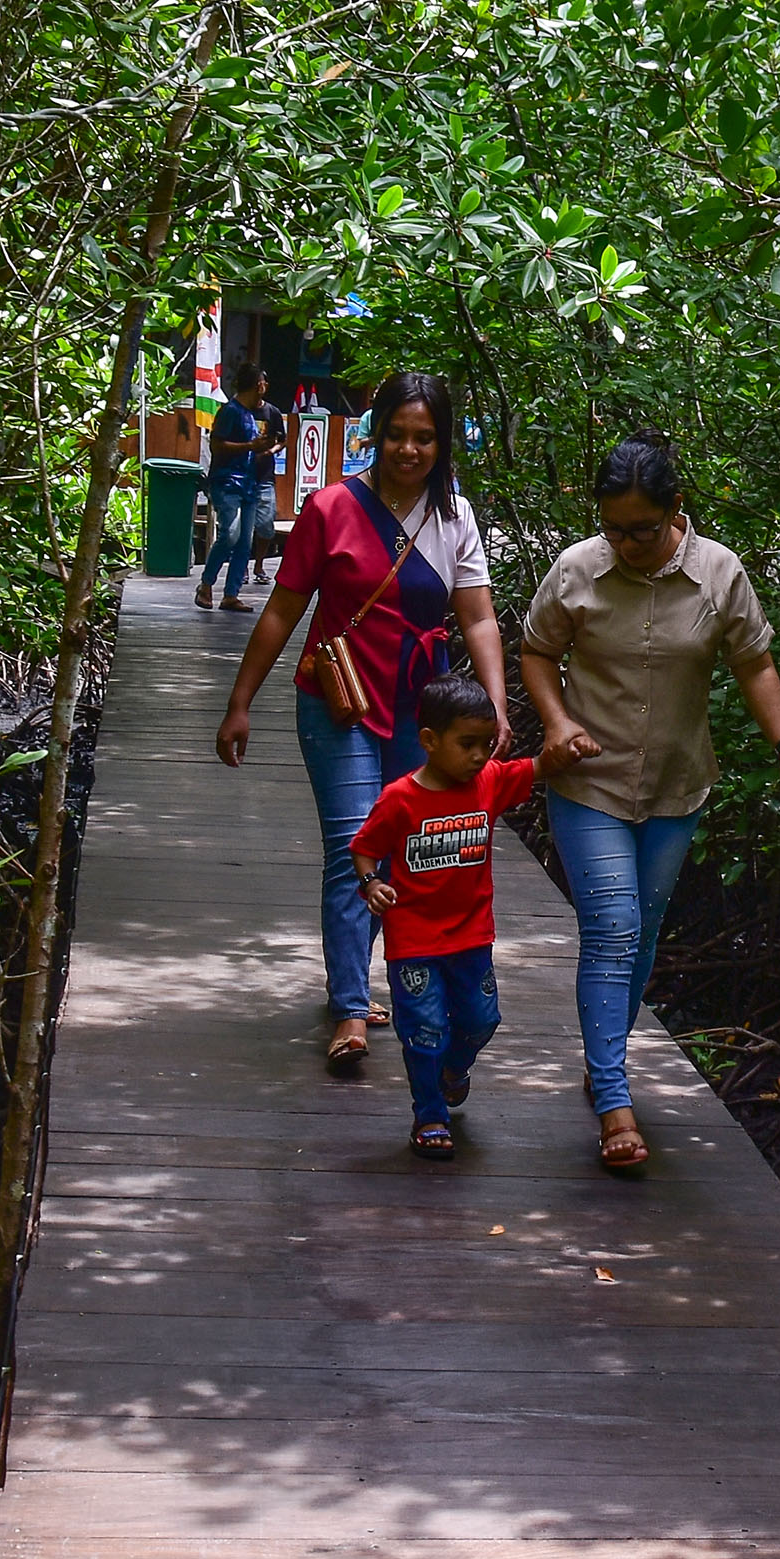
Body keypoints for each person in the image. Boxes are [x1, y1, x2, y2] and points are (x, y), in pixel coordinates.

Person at [514, 435, 780, 1173]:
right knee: (614, 924)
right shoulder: (578, 570)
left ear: (675, 509)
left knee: (643, 933)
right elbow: (535, 651)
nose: (623, 542)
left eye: (641, 529)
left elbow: (754, 662)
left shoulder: (719, 574)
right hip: (589, 782)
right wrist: (557, 724)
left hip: (676, 786)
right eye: (611, 527)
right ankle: (614, 1099)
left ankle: (604, 1057)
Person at [217, 371, 509, 1074]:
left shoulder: (454, 517)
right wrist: (240, 701)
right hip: (338, 699)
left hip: (423, 708)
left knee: (405, 845)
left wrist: (494, 707)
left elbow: (476, 615)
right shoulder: (330, 507)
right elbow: (284, 609)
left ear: (442, 443)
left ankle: (369, 979)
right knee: (355, 846)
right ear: (375, 432)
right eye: (397, 434)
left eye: (424, 437)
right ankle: (350, 1005)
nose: (408, 449)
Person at [349, 674, 542, 1161]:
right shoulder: (400, 798)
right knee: (425, 1028)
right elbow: (365, 849)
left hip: (472, 935)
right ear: (430, 742)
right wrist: (371, 883)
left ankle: (456, 1069)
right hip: (414, 938)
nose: (480, 756)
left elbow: (541, 767)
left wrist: (572, 745)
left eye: (486, 743)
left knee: (482, 1019)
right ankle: (429, 1113)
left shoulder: (489, 782)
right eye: (468, 744)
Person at [195, 365, 273, 612]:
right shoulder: (230, 411)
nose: (265, 386)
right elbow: (217, 446)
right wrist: (250, 446)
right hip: (227, 482)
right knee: (230, 533)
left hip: (249, 484)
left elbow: (249, 447)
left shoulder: (251, 414)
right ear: (256, 385)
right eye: (263, 381)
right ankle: (206, 584)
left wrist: (262, 448)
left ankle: (231, 594)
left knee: (244, 542)